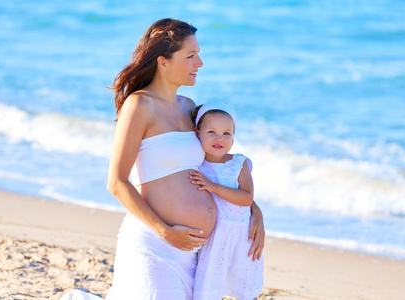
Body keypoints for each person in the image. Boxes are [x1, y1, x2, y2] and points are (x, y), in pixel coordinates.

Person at [60, 18, 265, 300]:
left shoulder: (189, 108)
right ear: (163, 62)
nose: (200, 63)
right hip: (154, 244)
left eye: (198, 54)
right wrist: (164, 231)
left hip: (195, 253)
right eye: (191, 56)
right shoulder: (139, 105)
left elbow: (216, 167)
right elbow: (116, 182)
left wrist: (254, 209)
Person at [189, 101, 264, 300]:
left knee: (245, 284)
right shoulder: (195, 164)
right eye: (211, 132)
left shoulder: (239, 163)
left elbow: (247, 198)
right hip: (215, 238)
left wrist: (213, 187)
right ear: (198, 133)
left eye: (226, 133)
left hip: (242, 236)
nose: (219, 138)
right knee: (209, 287)